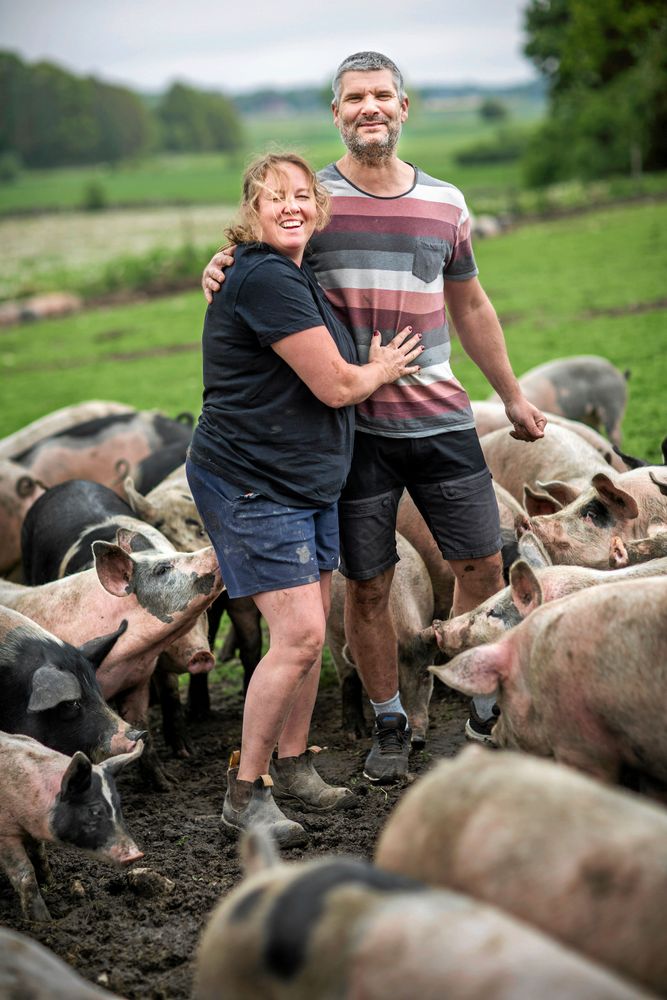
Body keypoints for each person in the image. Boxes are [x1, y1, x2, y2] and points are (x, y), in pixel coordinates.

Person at [202, 53, 547, 785]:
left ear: (402, 107)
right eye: (354, 97)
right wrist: (218, 263)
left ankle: (479, 707)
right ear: (336, 113)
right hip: (352, 432)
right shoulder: (312, 199)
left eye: (382, 95)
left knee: (481, 564)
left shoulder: (446, 202)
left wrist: (512, 394)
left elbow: (470, 304)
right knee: (367, 584)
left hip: (442, 417)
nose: (370, 107)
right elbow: (259, 249)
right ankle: (390, 720)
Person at [187, 151, 422, 844]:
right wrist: (381, 368)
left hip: (303, 480)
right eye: (273, 197)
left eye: (300, 195)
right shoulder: (265, 277)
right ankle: (245, 791)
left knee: (309, 632)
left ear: (318, 208)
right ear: (251, 212)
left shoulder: (290, 272)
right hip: (253, 481)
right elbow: (337, 385)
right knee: (299, 637)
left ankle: (292, 765)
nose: (290, 206)